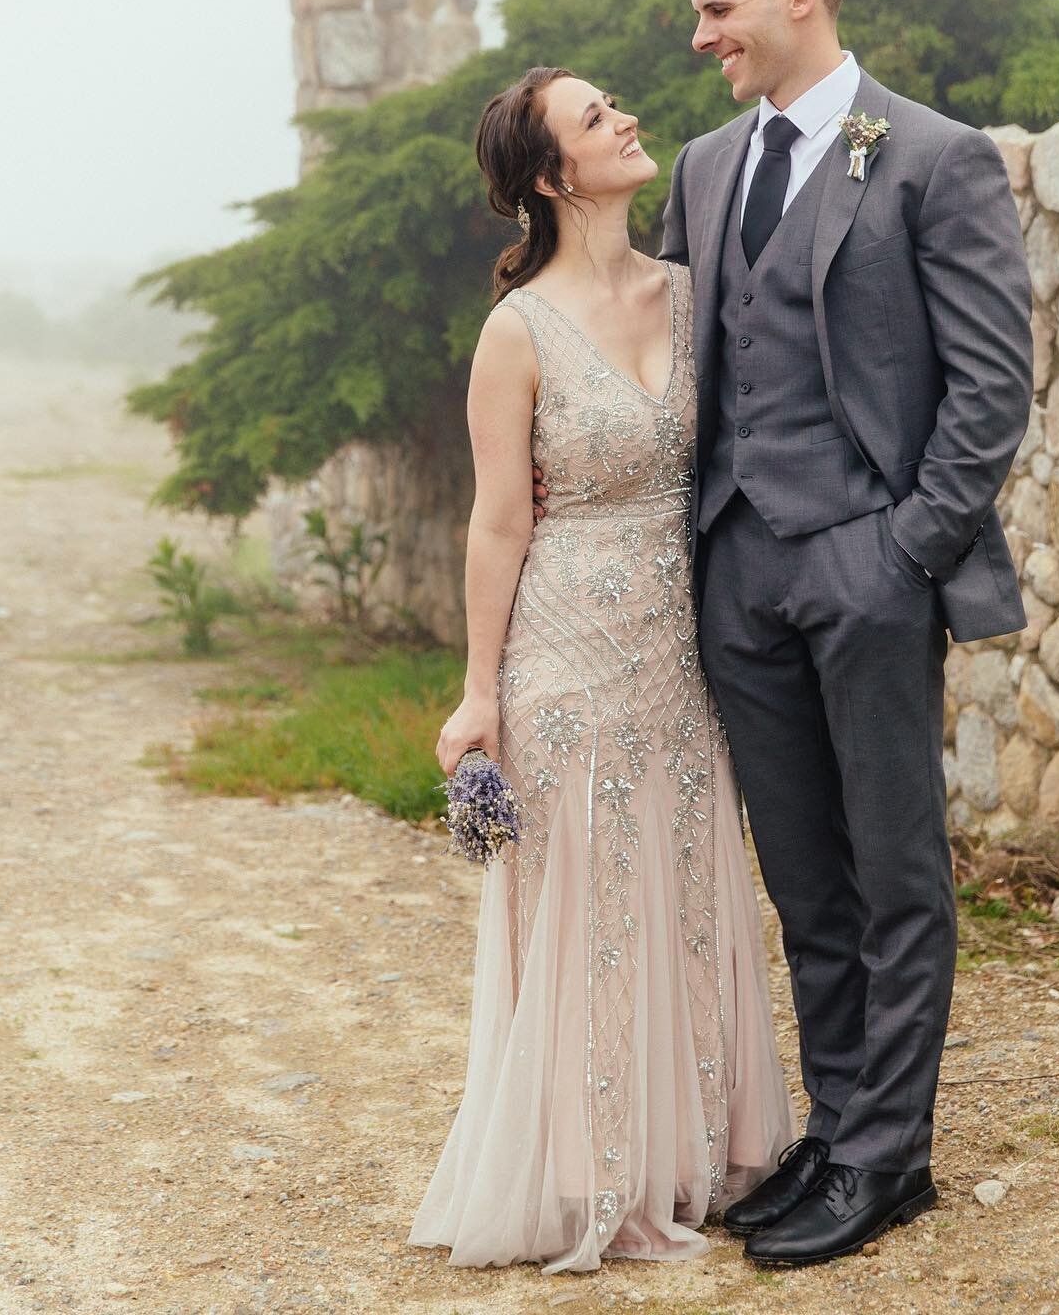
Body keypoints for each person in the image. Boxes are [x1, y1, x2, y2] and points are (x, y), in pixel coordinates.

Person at [657, 0, 1034, 1268]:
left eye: (717, 11)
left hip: (870, 565)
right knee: (806, 878)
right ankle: (838, 1126)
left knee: (893, 870)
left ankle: (890, 1159)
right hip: (739, 569)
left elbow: (992, 387)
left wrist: (907, 549)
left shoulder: (932, 156)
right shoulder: (705, 168)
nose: (701, 37)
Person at [409, 66, 794, 1275]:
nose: (625, 118)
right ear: (547, 176)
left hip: (684, 654)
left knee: (684, 883)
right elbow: (496, 523)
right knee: (588, 904)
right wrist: (480, 693)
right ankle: (592, 1170)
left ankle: (697, 1151)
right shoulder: (516, 330)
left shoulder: (691, 293)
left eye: (614, 104)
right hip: (566, 652)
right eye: (594, 118)